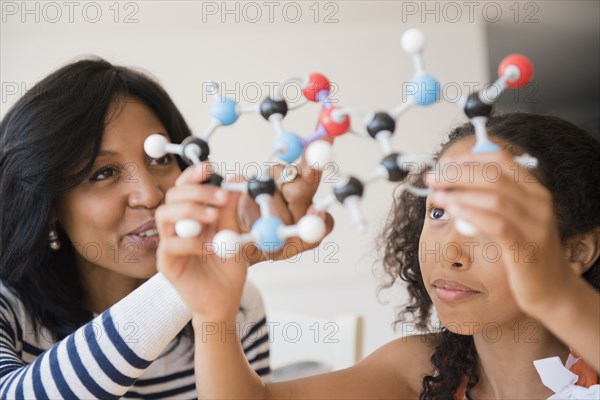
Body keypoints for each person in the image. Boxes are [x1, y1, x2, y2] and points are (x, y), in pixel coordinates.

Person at [156, 112, 600, 399]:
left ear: (578, 250)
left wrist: (557, 295)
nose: (450, 252)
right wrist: (212, 315)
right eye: (440, 211)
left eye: (491, 217)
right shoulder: (418, 372)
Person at [0, 58, 330, 399]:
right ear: (50, 206)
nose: (150, 194)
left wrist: (208, 291)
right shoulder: (9, 309)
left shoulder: (239, 305)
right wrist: (190, 282)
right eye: (103, 173)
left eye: (160, 159)